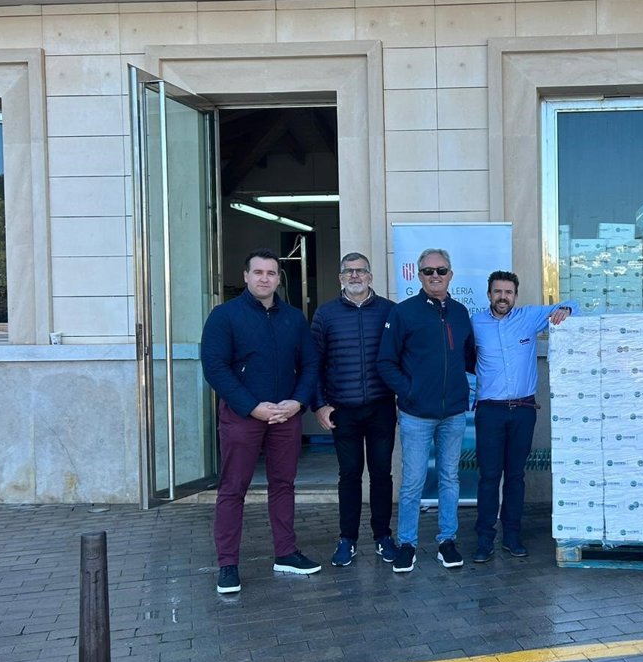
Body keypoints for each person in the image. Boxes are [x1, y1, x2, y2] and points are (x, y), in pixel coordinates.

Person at [201, 247, 321, 594]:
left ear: (278, 278)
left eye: (271, 273)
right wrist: (251, 406)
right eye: (258, 272)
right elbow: (215, 367)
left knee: (283, 485)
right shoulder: (224, 316)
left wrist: (297, 402)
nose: (265, 279)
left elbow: (310, 364)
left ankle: (286, 553)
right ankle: (227, 564)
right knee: (233, 488)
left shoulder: (294, 318)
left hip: (285, 416)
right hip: (243, 417)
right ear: (246, 276)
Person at [377, 248, 475, 573]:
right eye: (428, 271)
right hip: (416, 414)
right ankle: (407, 544)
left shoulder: (460, 313)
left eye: (441, 270)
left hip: (453, 413)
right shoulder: (403, 312)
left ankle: (447, 541)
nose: (435, 276)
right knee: (413, 481)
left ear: (450, 274)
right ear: (419, 275)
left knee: (449, 478)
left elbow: (469, 358)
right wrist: (410, 391)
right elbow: (386, 362)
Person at [470, 271, 577, 563]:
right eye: (498, 291)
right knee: (489, 476)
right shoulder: (475, 323)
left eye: (508, 292)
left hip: (523, 410)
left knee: (516, 476)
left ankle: (512, 536)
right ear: (489, 294)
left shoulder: (529, 317)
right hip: (489, 411)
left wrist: (566, 311)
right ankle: (484, 539)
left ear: (515, 295)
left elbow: (574, 305)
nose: (503, 297)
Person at [311, 252, 398, 568]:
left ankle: (383, 536)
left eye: (361, 271)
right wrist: (319, 405)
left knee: (381, 474)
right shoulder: (325, 314)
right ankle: (347, 539)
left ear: (371, 277)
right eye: (348, 271)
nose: (355, 276)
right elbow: (313, 363)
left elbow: (402, 357)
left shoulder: (389, 311)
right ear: (340, 278)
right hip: (342, 410)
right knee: (349, 475)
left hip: (381, 407)